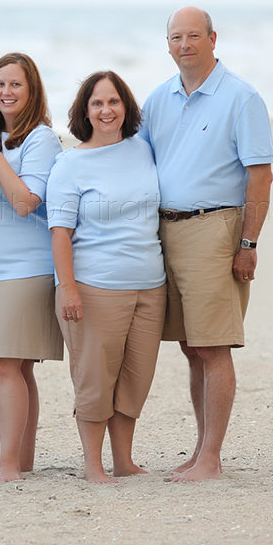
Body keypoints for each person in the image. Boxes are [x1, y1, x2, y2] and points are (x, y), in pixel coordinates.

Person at [139, 6, 273, 482]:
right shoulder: (158, 99)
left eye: (194, 36)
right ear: (168, 44)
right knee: (190, 346)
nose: (185, 45)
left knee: (213, 346)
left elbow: (261, 176)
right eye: (176, 37)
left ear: (213, 39)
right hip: (164, 231)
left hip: (214, 229)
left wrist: (248, 243)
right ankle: (200, 452)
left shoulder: (241, 97)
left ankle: (211, 459)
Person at [46, 71, 166, 484]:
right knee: (95, 379)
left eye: (113, 101)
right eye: (97, 103)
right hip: (95, 287)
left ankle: (124, 461)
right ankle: (93, 465)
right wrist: (68, 289)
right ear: (84, 112)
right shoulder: (70, 164)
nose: (106, 110)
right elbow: (59, 232)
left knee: (135, 379)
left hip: (150, 285)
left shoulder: (142, 149)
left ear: (126, 107)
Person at [0, 53, 64, 482]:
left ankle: (7, 466)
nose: (6, 91)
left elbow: (25, 203)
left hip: (23, 270)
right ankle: (22, 461)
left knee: (3, 364)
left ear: (32, 89)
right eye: (0, 83)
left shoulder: (41, 139)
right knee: (15, 367)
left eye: (16, 84)